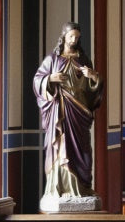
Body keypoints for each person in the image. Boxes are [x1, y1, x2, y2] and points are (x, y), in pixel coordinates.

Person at [33, 21, 103, 210]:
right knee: (61, 149)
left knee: (83, 152)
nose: (74, 40)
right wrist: (50, 78)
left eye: (77, 37)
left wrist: (94, 76)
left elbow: (94, 91)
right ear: (63, 36)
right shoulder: (53, 59)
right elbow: (37, 81)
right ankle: (60, 188)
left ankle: (82, 188)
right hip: (61, 112)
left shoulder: (83, 59)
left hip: (80, 112)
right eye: (71, 36)